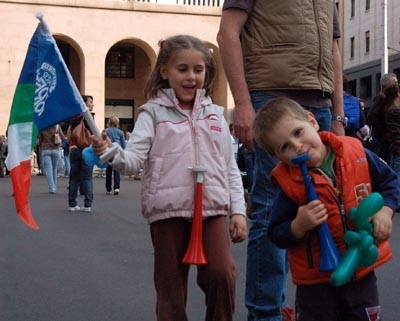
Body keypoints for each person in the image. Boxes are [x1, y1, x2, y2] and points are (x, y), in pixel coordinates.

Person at [92, 35, 247, 321]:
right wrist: (110, 152)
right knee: (170, 288)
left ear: (206, 73)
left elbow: (230, 168)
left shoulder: (215, 116)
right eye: (183, 69)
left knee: (222, 274)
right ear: (165, 71)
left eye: (198, 70)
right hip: (168, 211)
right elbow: (132, 162)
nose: (191, 77)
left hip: (212, 210)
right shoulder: (151, 114)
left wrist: (238, 211)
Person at [217, 2, 345, 320]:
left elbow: (333, 48)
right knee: (270, 208)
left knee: (325, 207)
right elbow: (227, 33)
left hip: (320, 100)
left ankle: (315, 309)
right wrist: (243, 104)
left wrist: (339, 114)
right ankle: (265, 313)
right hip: (269, 97)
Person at [253, 97, 397, 321]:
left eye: (298, 132)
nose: (297, 146)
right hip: (315, 285)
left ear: (312, 121)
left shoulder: (356, 151)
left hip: (361, 272)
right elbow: (275, 233)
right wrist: (297, 226)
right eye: (285, 147)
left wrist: (386, 211)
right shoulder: (286, 184)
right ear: (277, 158)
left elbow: (390, 182)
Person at [67, 95, 94, 213]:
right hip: (87, 150)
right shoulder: (89, 117)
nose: (92, 104)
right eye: (91, 102)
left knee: (74, 178)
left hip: (74, 149)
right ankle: (87, 205)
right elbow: (94, 134)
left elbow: (69, 133)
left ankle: (72, 204)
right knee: (87, 178)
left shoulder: (74, 116)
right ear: (85, 103)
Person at [38, 124, 65, 193]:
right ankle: (54, 186)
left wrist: (40, 147)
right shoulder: (57, 126)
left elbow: (40, 141)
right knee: (54, 169)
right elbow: (63, 137)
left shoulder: (43, 126)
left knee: (49, 171)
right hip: (56, 150)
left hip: (45, 150)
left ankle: (52, 188)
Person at [105, 116, 126, 195]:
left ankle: (108, 189)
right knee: (117, 170)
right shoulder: (120, 132)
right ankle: (116, 188)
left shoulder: (106, 131)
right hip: (117, 150)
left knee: (109, 170)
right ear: (117, 123)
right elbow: (123, 144)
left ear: (109, 122)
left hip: (108, 151)